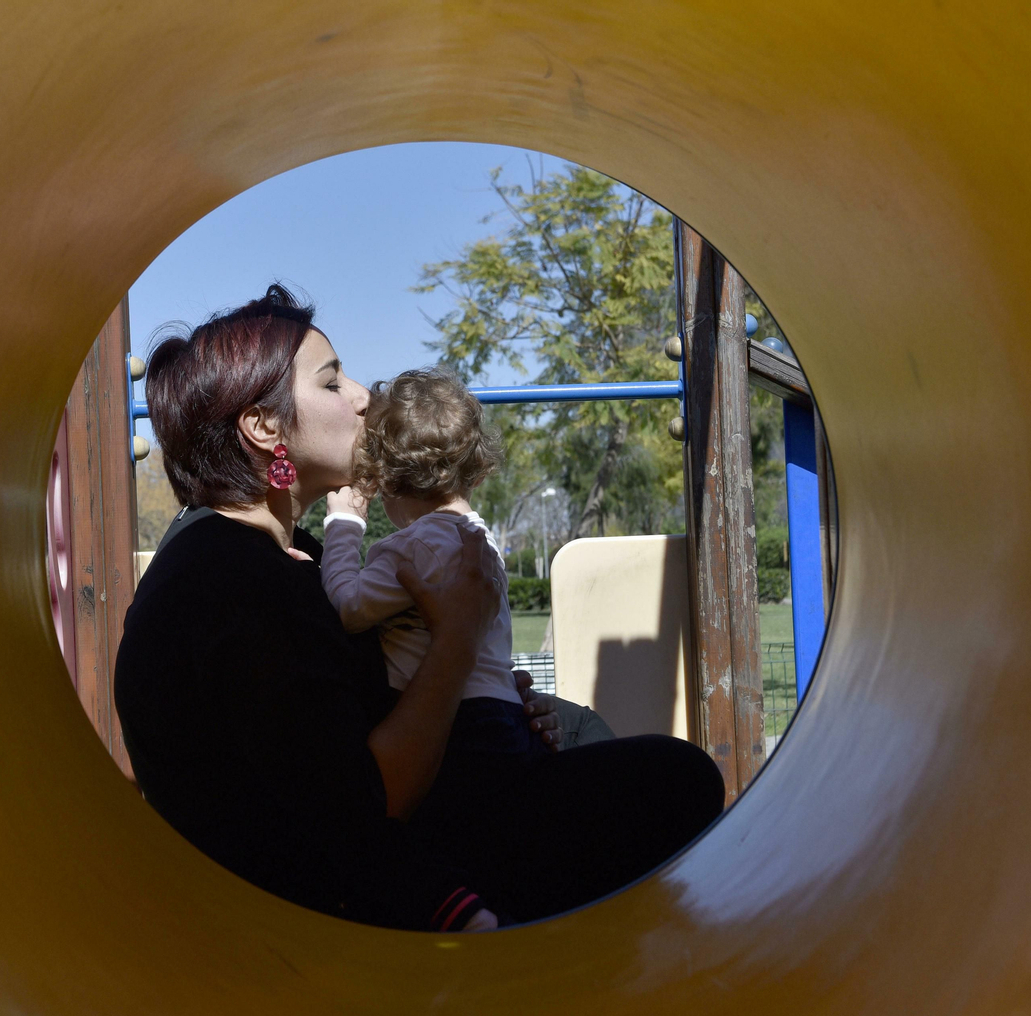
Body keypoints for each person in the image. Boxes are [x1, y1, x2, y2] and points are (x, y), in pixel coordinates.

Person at [112, 284, 724, 932]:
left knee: (580, 732)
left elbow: (349, 708)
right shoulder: (225, 582)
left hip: (383, 856)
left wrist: (474, 690)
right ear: (265, 429)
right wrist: (457, 639)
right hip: (345, 903)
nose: (364, 397)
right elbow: (370, 805)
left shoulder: (283, 556)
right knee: (677, 781)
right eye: (332, 383)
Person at [320, 368, 542, 762]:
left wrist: (344, 525)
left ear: (387, 480)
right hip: (503, 713)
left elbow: (348, 608)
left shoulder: (417, 545)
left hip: (456, 721)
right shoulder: (480, 540)